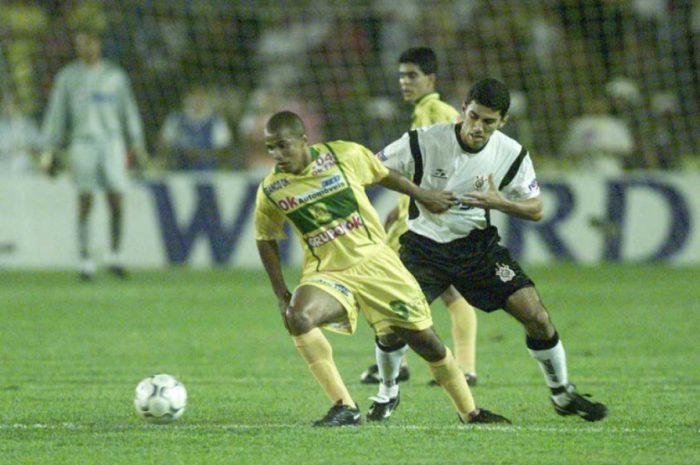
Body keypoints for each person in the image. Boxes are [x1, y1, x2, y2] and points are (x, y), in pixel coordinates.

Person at [255, 110, 510, 426]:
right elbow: (266, 237)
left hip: (378, 265)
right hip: (329, 273)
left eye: (283, 146)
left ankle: (469, 411)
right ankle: (344, 407)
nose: (277, 155)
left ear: (305, 140)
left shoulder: (343, 154)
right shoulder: (272, 189)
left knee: (425, 342)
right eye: (270, 148)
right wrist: (281, 294)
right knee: (298, 315)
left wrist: (422, 195)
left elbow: (383, 174)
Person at [374, 78, 608, 422]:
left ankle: (562, 394)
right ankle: (387, 393)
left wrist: (501, 202)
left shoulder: (511, 153)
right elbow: (376, 169)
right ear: (463, 110)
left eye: (488, 122)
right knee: (394, 324)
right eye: (473, 116)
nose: (478, 127)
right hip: (423, 249)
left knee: (537, 317)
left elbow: (536, 208)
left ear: (503, 122)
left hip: (477, 248)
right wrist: (420, 194)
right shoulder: (426, 141)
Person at [361, 47, 481, 394]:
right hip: (416, 214)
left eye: (411, 75)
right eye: (401, 75)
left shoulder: (438, 112)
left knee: (391, 287)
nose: (404, 82)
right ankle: (455, 367)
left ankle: (403, 366)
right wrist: (401, 204)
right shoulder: (425, 112)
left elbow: (456, 163)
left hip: (428, 219)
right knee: (435, 290)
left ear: (431, 78)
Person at [41, 26, 148, 280]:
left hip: (112, 142)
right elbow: (57, 114)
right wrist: (50, 147)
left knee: (116, 199)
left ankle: (115, 256)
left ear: (98, 45)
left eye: (89, 43)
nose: (85, 48)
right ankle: (85, 260)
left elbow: (128, 111)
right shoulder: (68, 77)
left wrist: (136, 142)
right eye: (81, 44)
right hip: (82, 142)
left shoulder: (115, 76)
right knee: (85, 199)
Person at [157, 85, 233, 171]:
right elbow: (163, 144)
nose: (197, 101)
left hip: (208, 171)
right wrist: (179, 152)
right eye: (193, 97)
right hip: (178, 170)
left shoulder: (216, 121)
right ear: (186, 99)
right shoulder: (176, 119)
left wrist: (199, 154)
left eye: (201, 97)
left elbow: (223, 150)